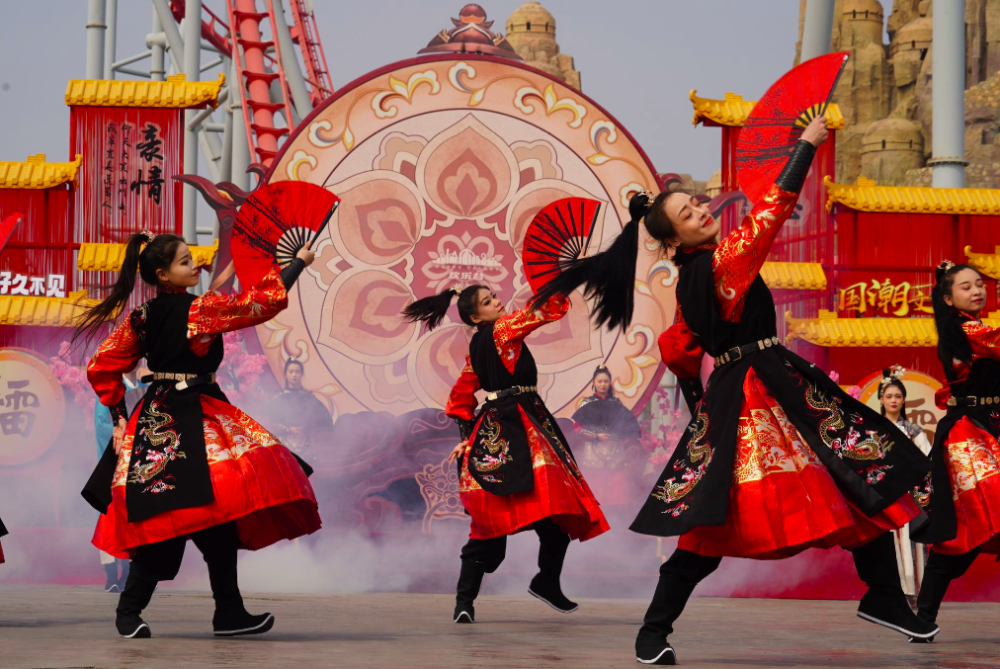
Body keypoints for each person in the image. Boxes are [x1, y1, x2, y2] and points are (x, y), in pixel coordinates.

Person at [531, 114, 937, 664]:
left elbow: (680, 347)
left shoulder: (692, 277)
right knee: (715, 522)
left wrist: (702, 397)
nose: (701, 210)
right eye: (687, 213)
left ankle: (885, 596)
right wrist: (806, 147)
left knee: (849, 481)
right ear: (673, 239)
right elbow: (770, 216)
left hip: (765, 386)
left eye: (697, 202)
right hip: (758, 395)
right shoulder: (719, 264)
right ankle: (653, 629)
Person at [76, 231, 322, 639]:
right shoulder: (199, 310)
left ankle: (228, 613)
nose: (197, 266)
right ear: (164, 274)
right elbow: (258, 303)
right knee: (174, 515)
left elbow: (101, 366)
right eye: (186, 261)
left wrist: (120, 416)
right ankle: (130, 610)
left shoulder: (142, 316)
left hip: (160, 416)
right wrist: (298, 264)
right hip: (186, 417)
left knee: (215, 514)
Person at [404, 285, 609, 624]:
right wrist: (566, 279)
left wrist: (467, 438)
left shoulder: (475, 348)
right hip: (522, 426)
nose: (497, 302)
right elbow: (543, 311)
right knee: (554, 506)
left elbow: (460, 397)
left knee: (496, 524)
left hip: (495, 430)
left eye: (493, 296)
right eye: (487, 302)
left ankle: (465, 603)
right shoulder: (501, 329)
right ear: (475, 317)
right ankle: (545, 580)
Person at [909, 261, 1000, 638]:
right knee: (962, 530)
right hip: (969, 435)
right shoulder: (964, 328)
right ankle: (923, 616)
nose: (977, 290)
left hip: (991, 427)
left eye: (979, 284)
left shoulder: (976, 326)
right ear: (948, 298)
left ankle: (923, 617)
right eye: (966, 287)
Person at [877, 366, 932, 601]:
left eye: (898, 396)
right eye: (889, 396)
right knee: (887, 545)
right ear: (881, 398)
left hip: (910, 495)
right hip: (883, 494)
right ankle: (893, 593)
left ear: (904, 400)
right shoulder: (874, 430)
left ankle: (917, 592)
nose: (893, 400)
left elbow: (928, 460)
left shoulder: (913, 431)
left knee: (914, 544)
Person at [93, 369, 148, 593]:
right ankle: (110, 575)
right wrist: (122, 430)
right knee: (108, 516)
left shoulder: (143, 391)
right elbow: (100, 425)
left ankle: (126, 573)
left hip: (136, 464)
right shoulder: (108, 393)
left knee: (133, 518)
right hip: (113, 463)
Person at [571, 365, 642, 506]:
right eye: (599, 381)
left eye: (605, 381)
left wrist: (618, 434)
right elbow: (577, 428)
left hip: (615, 449)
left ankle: (615, 514)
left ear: (610, 383)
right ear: (594, 383)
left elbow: (625, 427)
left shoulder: (616, 403)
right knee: (595, 485)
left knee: (615, 485)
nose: (603, 384)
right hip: (593, 450)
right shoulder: (587, 403)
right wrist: (596, 436)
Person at [264, 359, 334, 455]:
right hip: (283, 448)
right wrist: (287, 429)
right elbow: (267, 424)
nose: (294, 375)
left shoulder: (311, 399)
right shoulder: (277, 399)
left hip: (310, 448)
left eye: (297, 372)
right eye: (291, 371)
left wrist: (309, 429)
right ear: (285, 374)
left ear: (302, 374)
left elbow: (324, 425)